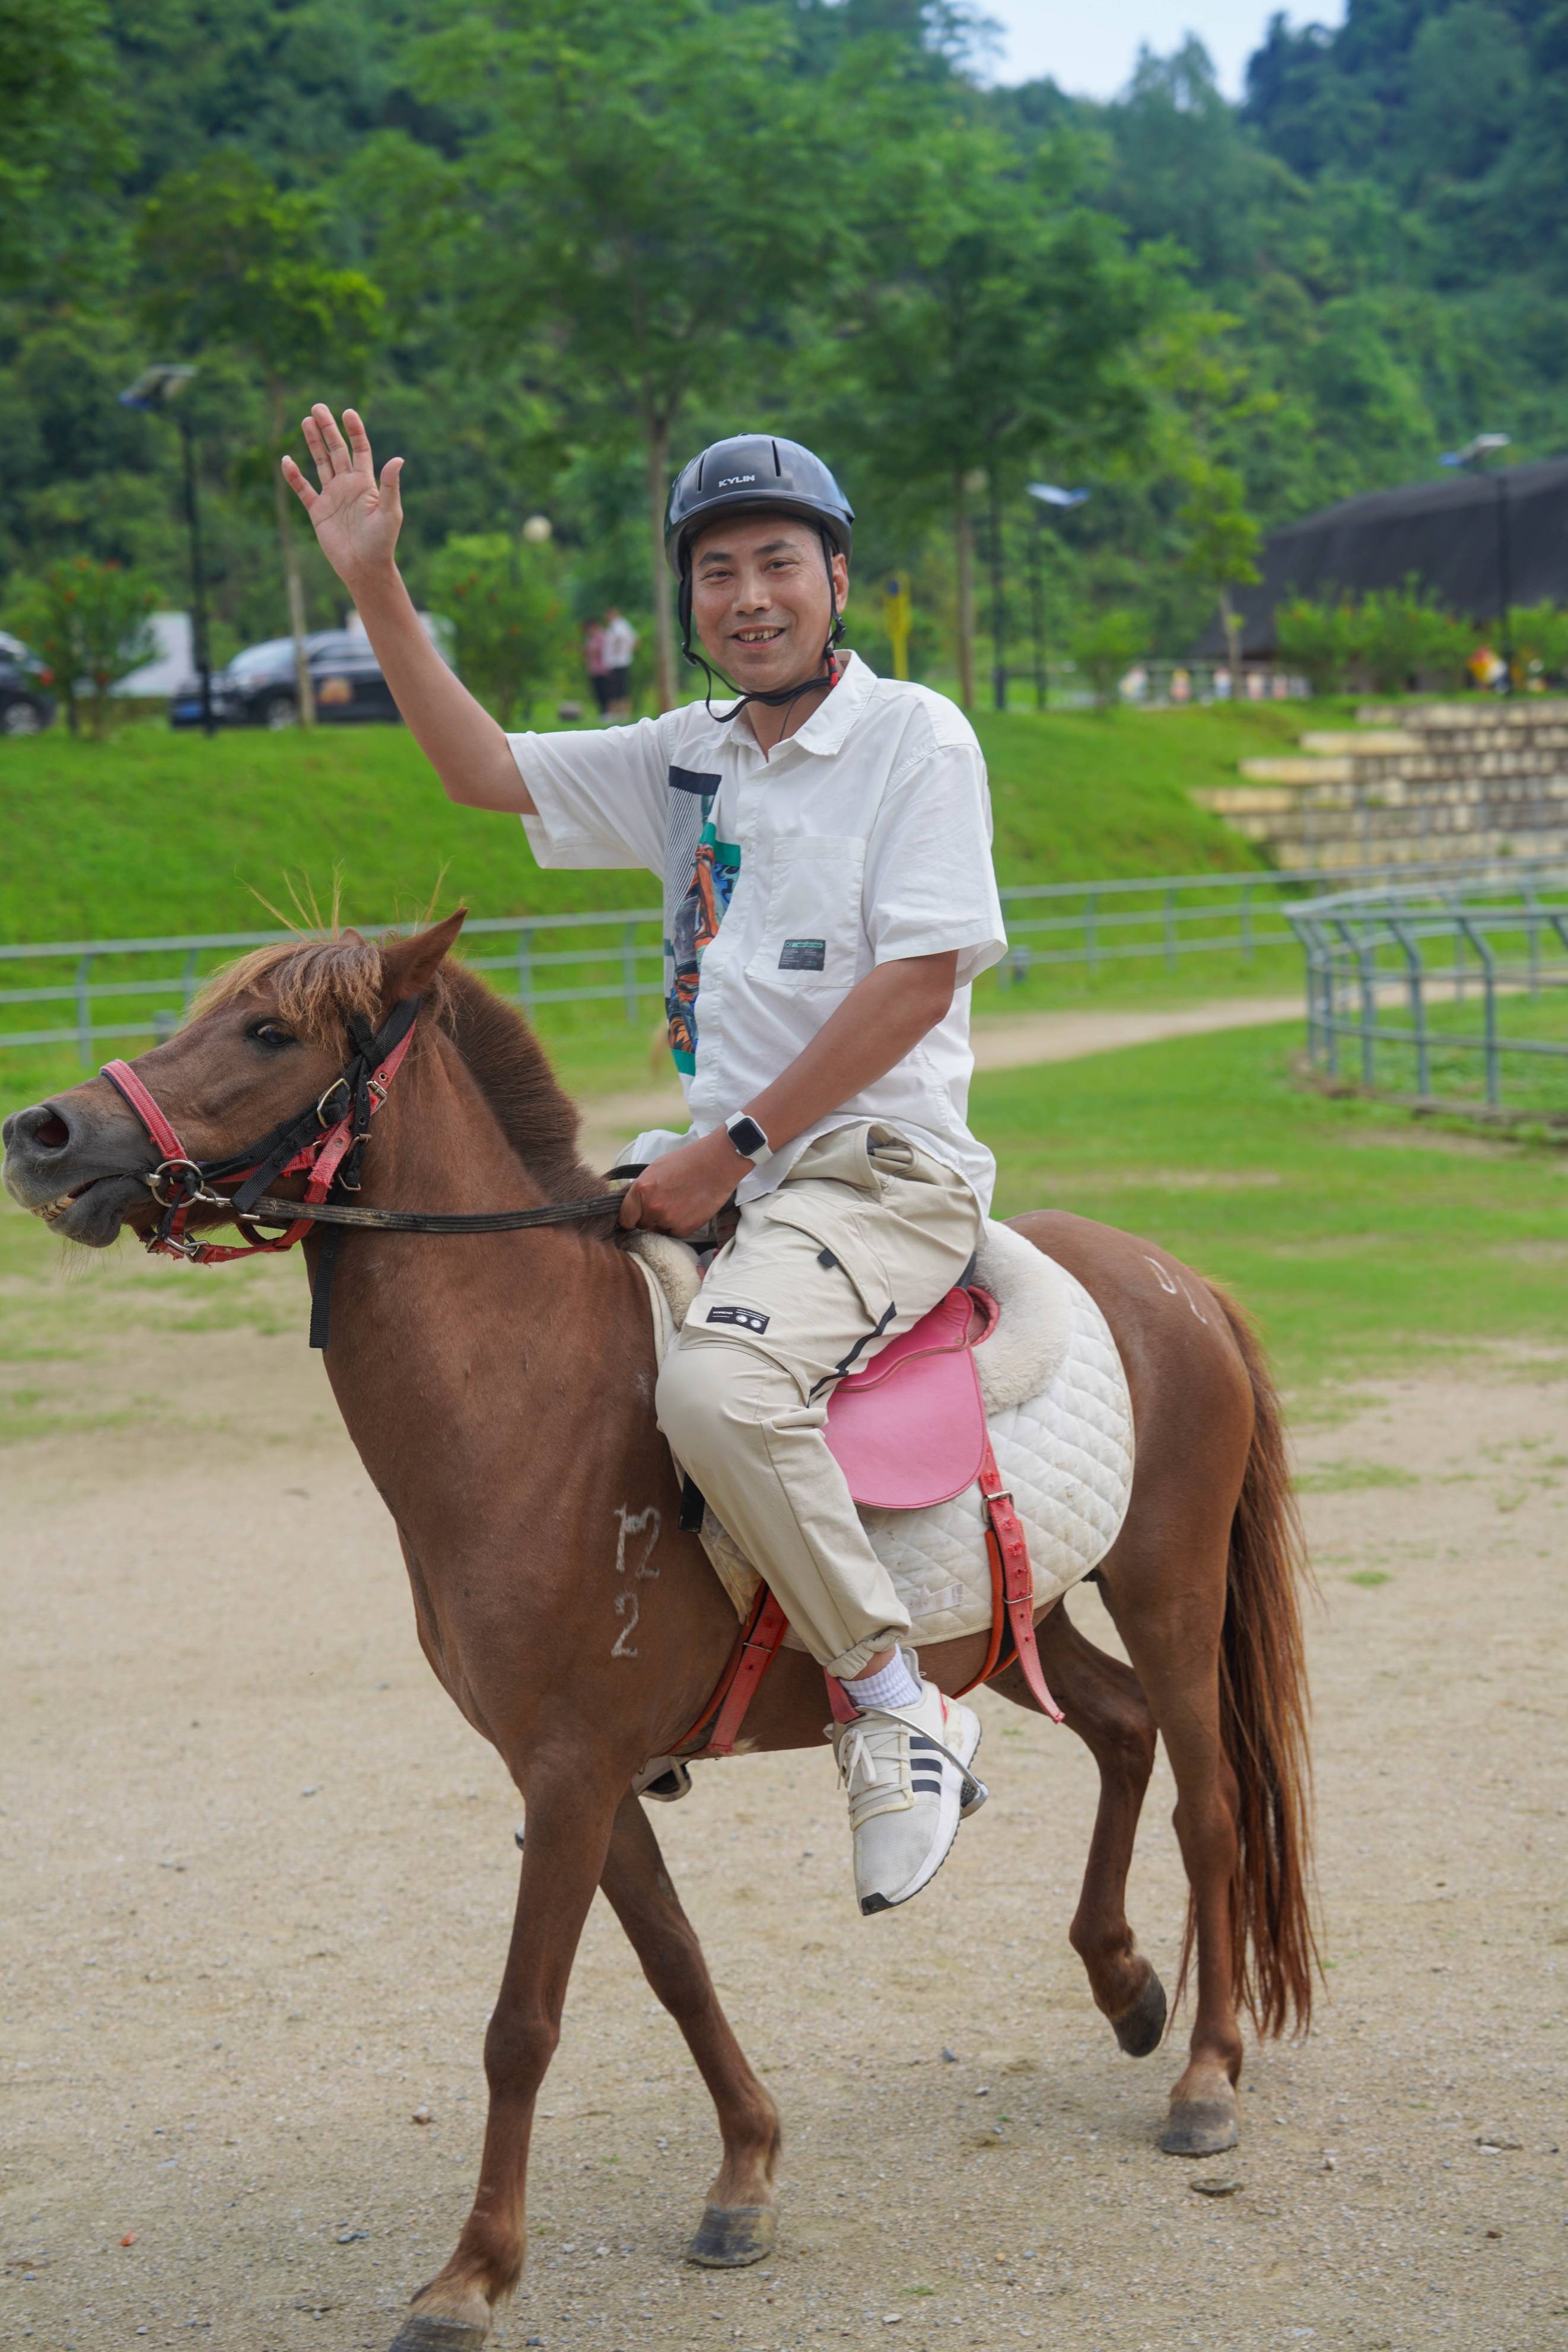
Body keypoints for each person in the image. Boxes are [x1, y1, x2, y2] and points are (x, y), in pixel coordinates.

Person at [282, 411, 1009, 1916]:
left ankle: (890, 1702)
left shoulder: (912, 736)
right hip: (724, 1162)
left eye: (777, 564)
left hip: (874, 1166)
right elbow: (482, 768)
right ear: (685, 598)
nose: (749, 595)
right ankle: (644, 1674)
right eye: (716, 570)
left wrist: (733, 1150)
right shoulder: (685, 756)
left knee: (719, 1387)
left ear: (835, 576)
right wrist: (373, 585)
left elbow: (920, 980)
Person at [600, 604, 638, 718]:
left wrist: (623, 653)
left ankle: (623, 713)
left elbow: (630, 640)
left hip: (620, 662)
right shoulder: (614, 626)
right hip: (616, 662)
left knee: (620, 689)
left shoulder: (619, 625)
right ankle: (616, 713)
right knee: (615, 688)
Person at [583, 614, 611, 716]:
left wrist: (589, 651)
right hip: (594, 669)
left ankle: (607, 712)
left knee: (605, 692)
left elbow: (597, 651)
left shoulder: (601, 636)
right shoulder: (590, 638)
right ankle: (602, 712)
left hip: (602, 669)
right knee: (597, 692)